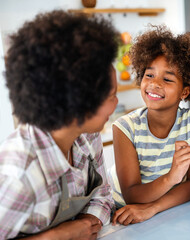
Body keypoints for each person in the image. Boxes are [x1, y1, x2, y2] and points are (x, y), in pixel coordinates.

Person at [0, 10, 119, 239]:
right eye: (111, 96)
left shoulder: (87, 135)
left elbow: (103, 194)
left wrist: (89, 221)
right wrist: (59, 236)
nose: (116, 104)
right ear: (76, 105)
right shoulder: (19, 175)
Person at [110, 25, 190, 225]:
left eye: (167, 79)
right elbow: (132, 196)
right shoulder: (124, 128)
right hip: (126, 212)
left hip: (168, 208)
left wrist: (154, 208)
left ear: (184, 92)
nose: (154, 83)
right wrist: (172, 177)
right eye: (149, 75)